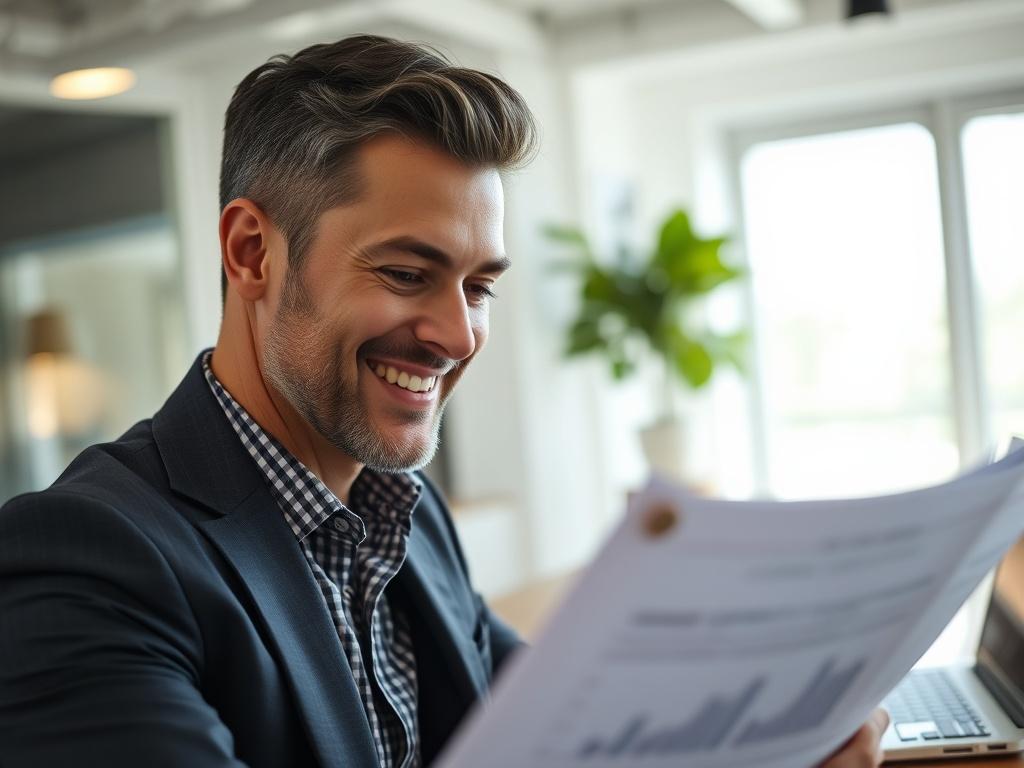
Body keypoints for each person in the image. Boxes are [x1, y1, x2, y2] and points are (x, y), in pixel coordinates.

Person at [0, 34, 888, 767]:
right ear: (251, 253)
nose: (458, 336)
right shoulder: (85, 561)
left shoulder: (407, 520)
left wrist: (776, 729)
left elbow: (561, 729)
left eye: (479, 286)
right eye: (406, 273)